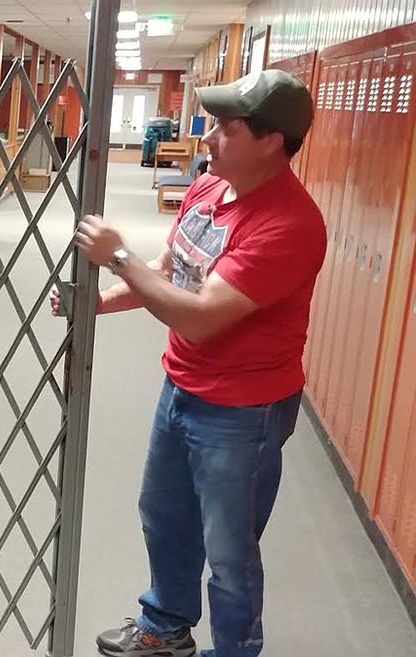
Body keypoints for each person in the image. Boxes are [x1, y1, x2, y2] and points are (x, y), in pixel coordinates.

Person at [54, 69, 325, 657]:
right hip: (183, 384)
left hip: (243, 411)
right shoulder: (207, 189)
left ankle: (234, 650)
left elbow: (199, 315)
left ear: (272, 140)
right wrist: (99, 303)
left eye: (225, 129)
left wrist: (117, 257)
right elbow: (171, 273)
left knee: (228, 550)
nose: (207, 138)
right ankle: (165, 626)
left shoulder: (288, 224)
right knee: (164, 513)